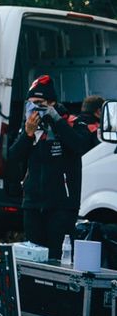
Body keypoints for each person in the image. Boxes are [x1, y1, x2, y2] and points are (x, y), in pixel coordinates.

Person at [7, 75, 95, 260]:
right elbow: (14, 156)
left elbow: (79, 145)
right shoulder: (31, 125)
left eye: (39, 103)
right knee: (34, 256)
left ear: (52, 102)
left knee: (58, 256)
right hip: (33, 203)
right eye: (30, 103)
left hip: (62, 205)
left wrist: (56, 120)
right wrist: (28, 134)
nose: (34, 108)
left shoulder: (73, 122)